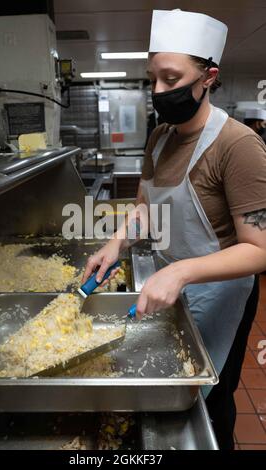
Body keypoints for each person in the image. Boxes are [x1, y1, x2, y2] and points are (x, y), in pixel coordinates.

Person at [83, 9, 266, 449]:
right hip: (171, 280)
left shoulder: (237, 145)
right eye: (153, 80)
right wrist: (115, 243)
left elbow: (260, 248)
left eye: (171, 78)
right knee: (166, 382)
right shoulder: (160, 137)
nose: (159, 91)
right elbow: (146, 207)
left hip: (221, 291)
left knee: (208, 395)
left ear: (208, 77)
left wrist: (181, 272)